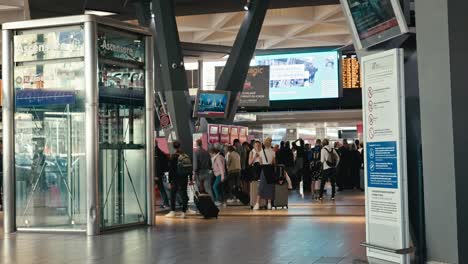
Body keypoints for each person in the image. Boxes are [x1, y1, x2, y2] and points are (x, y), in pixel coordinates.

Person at [166, 141, 192, 218]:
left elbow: (171, 170)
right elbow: (189, 168)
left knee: (172, 194)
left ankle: (172, 211)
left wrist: (170, 180)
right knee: (184, 194)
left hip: (175, 178)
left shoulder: (173, 156)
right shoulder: (185, 155)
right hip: (184, 178)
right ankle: (184, 212)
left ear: (174, 147)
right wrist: (190, 178)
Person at [251, 138, 276, 210]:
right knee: (270, 187)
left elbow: (261, 163)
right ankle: (269, 204)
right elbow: (273, 162)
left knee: (261, 187)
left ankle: (257, 204)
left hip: (264, 171)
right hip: (271, 170)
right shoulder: (273, 152)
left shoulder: (261, 152)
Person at [155, 140, 170, 209]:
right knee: (161, 189)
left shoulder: (155, 152)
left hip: (156, 174)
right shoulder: (160, 151)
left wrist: (156, 175)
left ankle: (166, 203)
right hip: (159, 174)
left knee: (161, 189)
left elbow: (157, 164)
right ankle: (166, 203)